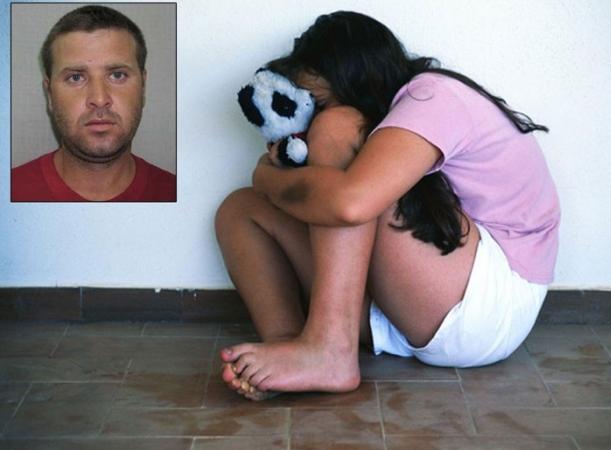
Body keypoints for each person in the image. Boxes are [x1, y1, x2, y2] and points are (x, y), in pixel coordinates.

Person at [216, 11, 560, 401]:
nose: (311, 122)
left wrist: (266, 177)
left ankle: (329, 349)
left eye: (319, 103)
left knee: (338, 136)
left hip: (484, 306)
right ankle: (291, 344)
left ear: (351, 78)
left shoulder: (434, 96)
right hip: (412, 303)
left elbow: (350, 204)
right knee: (241, 211)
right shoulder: (395, 116)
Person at [11, 5, 176, 202]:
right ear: (49, 94)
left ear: (143, 87)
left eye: (117, 75)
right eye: (75, 78)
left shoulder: (180, 196)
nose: (99, 99)